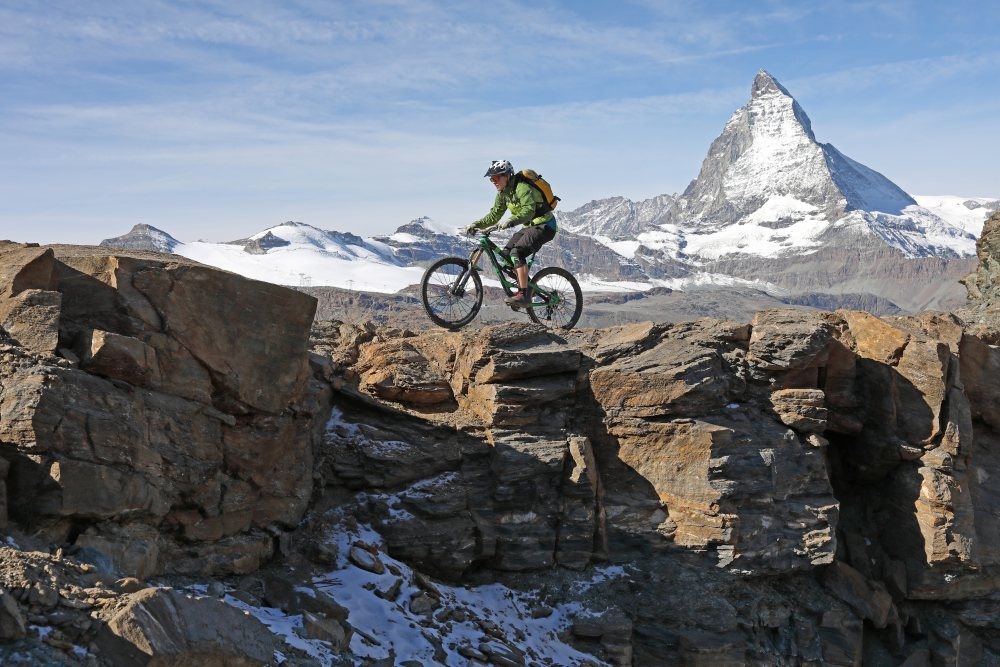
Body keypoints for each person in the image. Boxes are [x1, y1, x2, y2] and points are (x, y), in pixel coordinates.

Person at [465, 160, 558, 306]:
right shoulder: (502, 194)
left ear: (507, 175)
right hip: (530, 226)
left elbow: (528, 210)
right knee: (507, 255)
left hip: (545, 225)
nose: (494, 182)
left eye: (496, 178)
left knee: (517, 252)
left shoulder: (522, 187)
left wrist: (511, 221)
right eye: (491, 179)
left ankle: (523, 294)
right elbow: (494, 215)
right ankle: (527, 288)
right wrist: (476, 224)